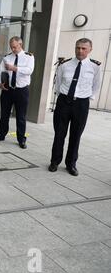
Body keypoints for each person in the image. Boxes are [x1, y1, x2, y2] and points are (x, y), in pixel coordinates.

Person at [48, 38, 101, 176]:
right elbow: (58, 84)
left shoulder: (94, 67)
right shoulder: (64, 65)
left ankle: (71, 164)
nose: (80, 51)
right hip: (64, 102)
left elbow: (95, 86)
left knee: (76, 135)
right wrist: (63, 98)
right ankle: (55, 161)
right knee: (59, 133)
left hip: (81, 104)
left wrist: (87, 98)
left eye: (84, 48)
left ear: (90, 50)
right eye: (78, 47)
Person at [0, 36, 35, 149]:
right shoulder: (7, 57)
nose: (13, 49)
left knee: (21, 116)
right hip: (8, 90)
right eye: (11, 47)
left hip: (22, 91)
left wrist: (15, 68)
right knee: (4, 114)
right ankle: (1, 134)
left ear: (21, 45)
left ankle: (21, 139)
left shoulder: (29, 57)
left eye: (15, 47)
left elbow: (29, 71)